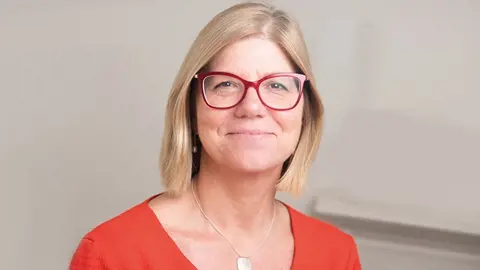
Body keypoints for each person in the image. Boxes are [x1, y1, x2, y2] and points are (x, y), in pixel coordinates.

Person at [69, 2, 361, 270]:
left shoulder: (336, 255)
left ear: (304, 113)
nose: (252, 107)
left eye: (277, 86)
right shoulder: (112, 253)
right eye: (226, 85)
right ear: (191, 110)